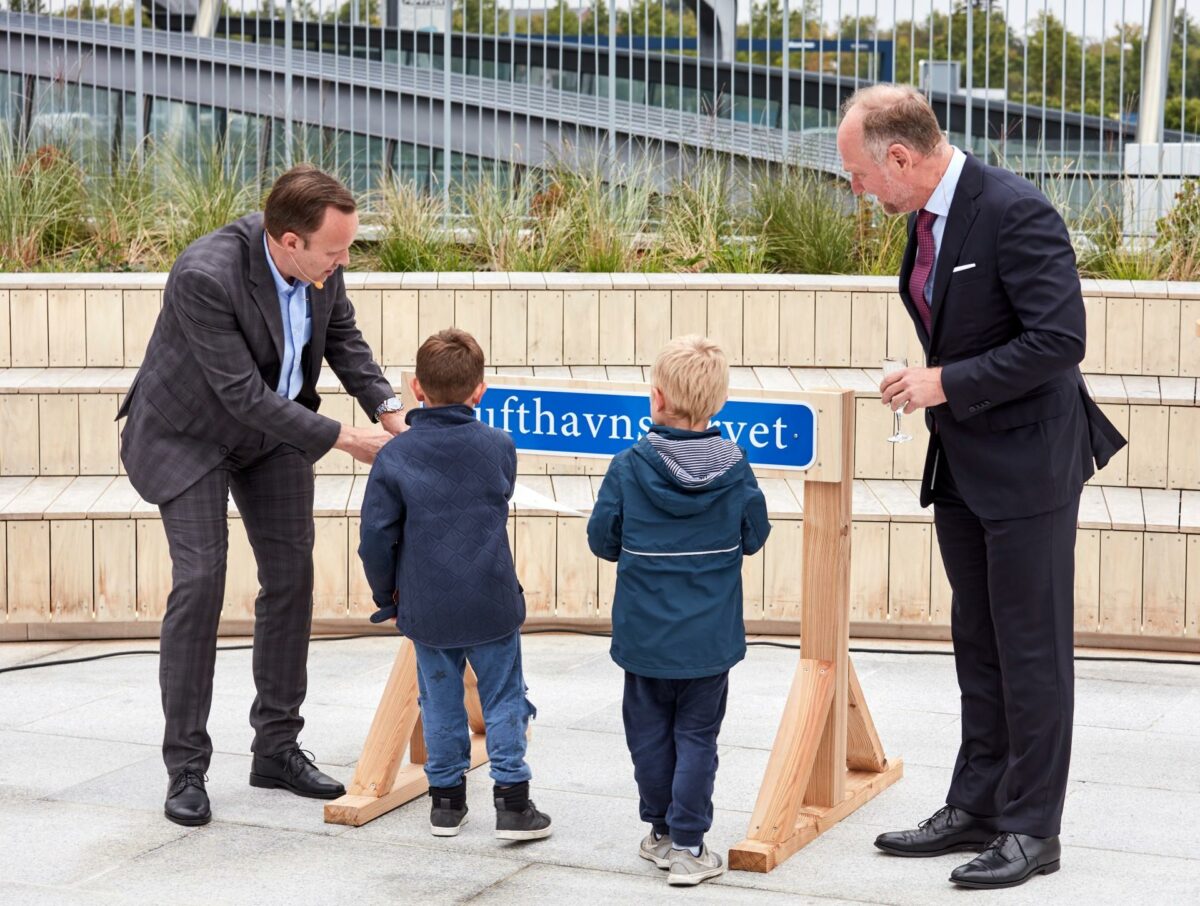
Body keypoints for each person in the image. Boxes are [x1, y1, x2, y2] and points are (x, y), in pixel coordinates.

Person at [836, 85, 1126, 890]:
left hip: (1029, 465)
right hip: (964, 463)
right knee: (980, 646)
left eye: (859, 172)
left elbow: (1059, 341)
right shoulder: (925, 221)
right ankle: (977, 805)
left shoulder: (1014, 210)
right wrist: (932, 381)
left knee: (1032, 652)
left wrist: (945, 382)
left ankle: (1034, 829)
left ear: (900, 157)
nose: (857, 188)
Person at [118, 165, 406, 827]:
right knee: (200, 578)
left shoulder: (323, 267)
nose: (343, 261)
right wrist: (347, 438)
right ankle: (185, 768)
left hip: (272, 432)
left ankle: (276, 747)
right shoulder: (205, 275)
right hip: (188, 434)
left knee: (291, 576)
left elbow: (343, 341)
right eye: (334, 251)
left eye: (347, 248)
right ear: (286, 240)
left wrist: (393, 414)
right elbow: (240, 395)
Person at [587, 335, 771, 887]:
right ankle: (690, 846)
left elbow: (603, 539)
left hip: (644, 640)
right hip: (708, 644)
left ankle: (662, 832)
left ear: (657, 398)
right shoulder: (737, 468)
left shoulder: (628, 466)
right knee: (697, 740)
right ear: (718, 403)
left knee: (647, 737)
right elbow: (755, 535)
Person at [357, 328, 552, 842]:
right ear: (479, 390)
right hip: (491, 599)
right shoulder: (499, 445)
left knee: (438, 700)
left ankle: (446, 804)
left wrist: (386, 598)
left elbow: (376, 538)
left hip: (426, 603)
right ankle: (513, 804)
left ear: (417, 389)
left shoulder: (395, 458)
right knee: (505, 698)